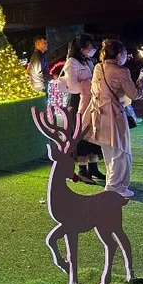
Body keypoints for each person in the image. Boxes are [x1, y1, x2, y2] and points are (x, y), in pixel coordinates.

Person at [88, 40, 143, 199]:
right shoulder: (121, 71)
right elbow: (133, 94)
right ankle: (115, 186)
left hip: (98, 115)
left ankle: (112, 183)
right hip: (114, 115)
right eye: (125, 54)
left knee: (109, 151)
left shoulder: (98, 67)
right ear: (120, 55)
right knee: (121, 151)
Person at [61, 35, 105, 183]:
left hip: (91, 100)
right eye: (89, 47)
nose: (91, 49)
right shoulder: (71, 63)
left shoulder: (88, 61)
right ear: (81, 49)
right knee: (81, 135)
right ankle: (82, 169)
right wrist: (87, 84)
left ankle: (93, 167)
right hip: (78, 101)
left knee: (92, 133)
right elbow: (72, 85)